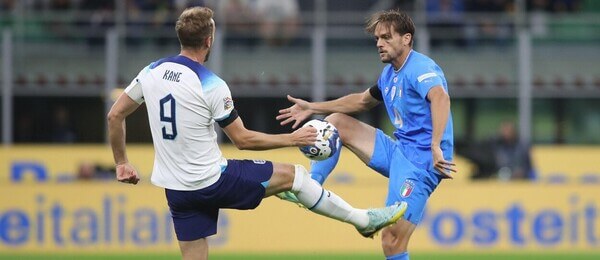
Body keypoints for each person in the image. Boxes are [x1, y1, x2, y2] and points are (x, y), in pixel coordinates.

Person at [107, 7, 406, 260]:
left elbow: (115, 114)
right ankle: (363, 219)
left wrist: (122, 161)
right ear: (209, 40)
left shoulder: (151, 71)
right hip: (212, 181)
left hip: (177, 190)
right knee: (296, 177)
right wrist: (293, 139)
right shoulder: (210, 83)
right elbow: (243, 140)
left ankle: (361, 219)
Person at [277, 9, 456, 260]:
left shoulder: (421, 67)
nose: (379, 44)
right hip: (399, 151)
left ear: (406, 39)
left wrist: (436, 144)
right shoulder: (389, 74)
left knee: (392, 240)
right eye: (377, 39)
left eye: (386, 37)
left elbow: (440, 97)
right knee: (335, 123)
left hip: (422, 162)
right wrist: (312, 107)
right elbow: (361, 101)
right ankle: (311, 186)